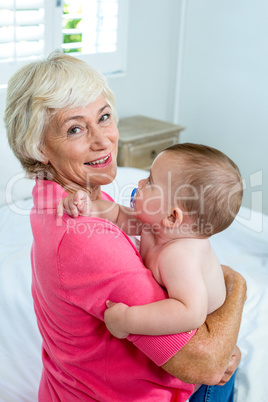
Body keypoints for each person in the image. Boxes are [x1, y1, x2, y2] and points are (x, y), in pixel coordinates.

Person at [4, 52, 247, 402]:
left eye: (104, 117)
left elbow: (117, 215)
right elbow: (207, 365)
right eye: (75, 128)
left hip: (66, 387)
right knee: (224, 374)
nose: (102, 141)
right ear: (40, 147)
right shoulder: (86, 241)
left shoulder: (50, 199)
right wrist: (235, 285)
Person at [59, 143, 242, 340]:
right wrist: (88, 206)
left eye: (150, 183)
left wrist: (127, 320)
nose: (140, 181)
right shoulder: (155, 226)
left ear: (172, 217)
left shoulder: (179, 257)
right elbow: (118, 214)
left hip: (207, 330)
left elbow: (191, 312)